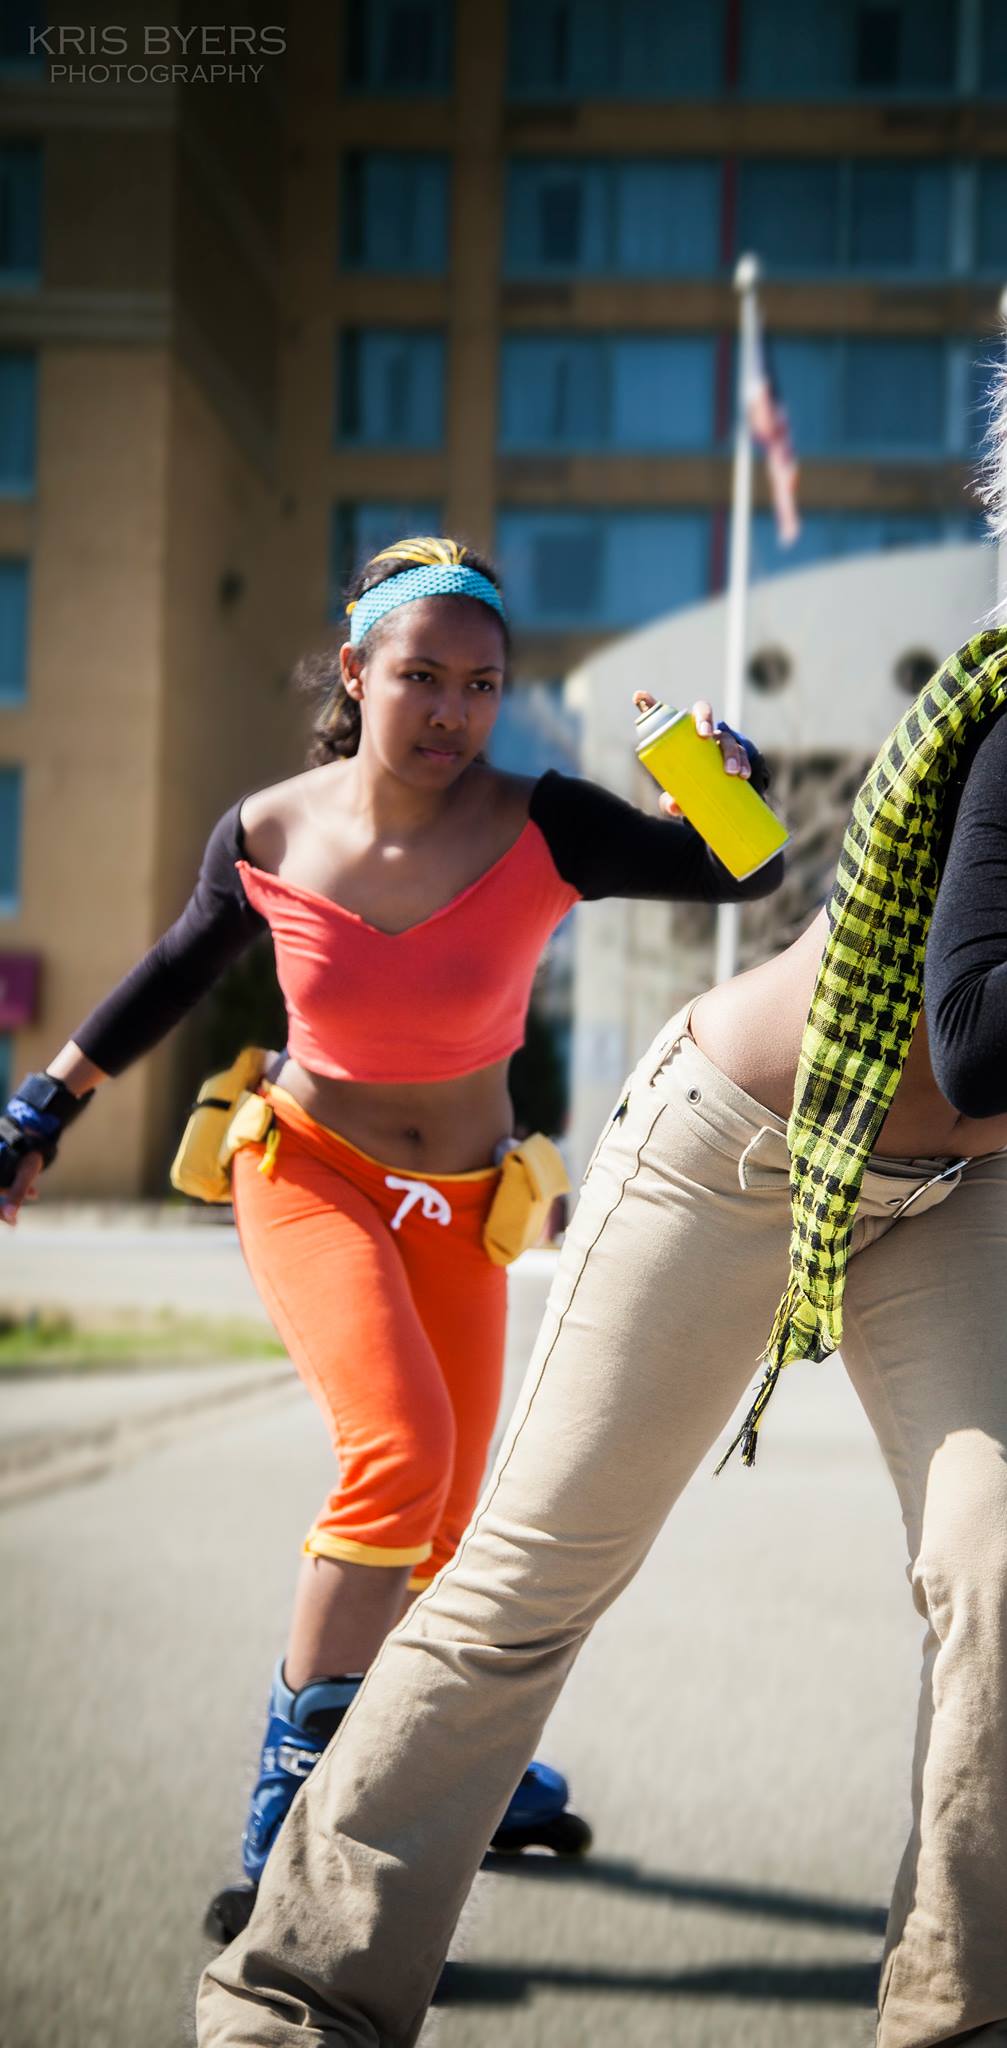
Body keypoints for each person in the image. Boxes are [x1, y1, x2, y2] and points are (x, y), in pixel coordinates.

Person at [197, 271, 1007, 2048]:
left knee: (1004, 1567)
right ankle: (296, 1998)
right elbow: (988, 1024)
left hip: (954, 1184)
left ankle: (978, 2007)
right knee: (530, 1582)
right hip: (740, 1149)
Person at [0, 536, 781, 1934]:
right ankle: (292, 1798)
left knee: (453, 1521)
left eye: (481, 685)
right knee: (399, 1460)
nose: (451, 712)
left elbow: (737, 873)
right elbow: (172, 970)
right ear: (357, 671)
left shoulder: (546, 822)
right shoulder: (269, 831)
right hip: (309, 1169)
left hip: (466, 1205)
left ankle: (447, 1766)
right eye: (421, 676)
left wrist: (731, 780)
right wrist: (40, 1109)